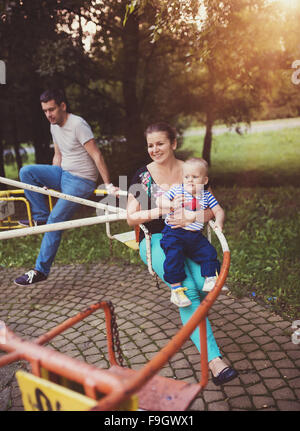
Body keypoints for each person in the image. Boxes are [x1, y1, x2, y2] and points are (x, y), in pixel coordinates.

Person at [127, 122, 238, 386]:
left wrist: (193, 215)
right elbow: (130, 218)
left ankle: (193, 325)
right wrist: (160, 211)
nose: (155, 149)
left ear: (173, 143)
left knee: (203, 285)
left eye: (160, 143)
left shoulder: (190, 171)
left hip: (189, 239)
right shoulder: (141, 176)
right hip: (155, 240)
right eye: (150, 145)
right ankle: (214, 361)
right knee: (188, 289)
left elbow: (212, 208)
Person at [14, 88, 118, 287]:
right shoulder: (54, 126)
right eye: (45, 111)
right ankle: (40, 216)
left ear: (63, 106)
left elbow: (97, 155)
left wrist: (109, 184)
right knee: (26, 172)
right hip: (63, 174)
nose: (48, 115)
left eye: (51, 109)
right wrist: (51, 181)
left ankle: (40, 270)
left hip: (82, 180)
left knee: (56, 220)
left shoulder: (78, 124)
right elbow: (58, 156)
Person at [156, 157, 228, 308]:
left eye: (195, 177)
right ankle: (176, 290)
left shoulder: (207, 196)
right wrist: (170, 204)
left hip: (194, 236)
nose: (189, 180)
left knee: (209, 252)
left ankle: (210, 279)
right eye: (186, 177)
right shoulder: (177, 190)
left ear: (204, 180)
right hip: (174, 233)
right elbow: (159, 201)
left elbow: (219, 211)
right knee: (174, 255)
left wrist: (219, 224)